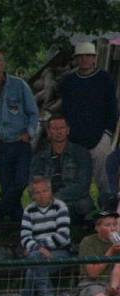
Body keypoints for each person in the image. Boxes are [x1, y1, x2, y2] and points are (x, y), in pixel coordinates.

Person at [0, 50, 39, 223]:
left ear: (4, 64)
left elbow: (33, 113)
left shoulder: (19, 85)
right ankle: (16, 221)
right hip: (0, 144)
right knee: (7, 185)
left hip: (20, 141)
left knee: (21, 180)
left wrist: (30, 133)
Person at [59, 41, 118, 196]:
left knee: (104, 179)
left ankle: (108, 212)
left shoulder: (105, 79)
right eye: (81, 56)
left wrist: (107, 133)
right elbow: (65, 110)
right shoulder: (69, 81)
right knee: (76, 179)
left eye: (88, 56)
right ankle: (80, 212)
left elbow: (112, 108)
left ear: (94, 58)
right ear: (76, 59)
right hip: (75, 138)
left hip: (100, 138)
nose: (84, 59)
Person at [18, 176, 71, 296]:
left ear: (51, 191)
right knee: (35, 263)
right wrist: (39, 249)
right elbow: (24, 237)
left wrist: (40, 246)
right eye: (37, 192)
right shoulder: (29, 210)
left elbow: (63, 236)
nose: (42, 195)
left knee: (33, 266)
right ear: (32, 195)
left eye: (45, 191)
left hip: (60, 252)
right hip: (38, 254)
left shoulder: (60, 206)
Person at [29, 114, 93, 224]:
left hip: (74, 199)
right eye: (55, 129)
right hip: (47, 199)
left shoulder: (81, 153)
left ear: (68, 130)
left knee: (84, 206)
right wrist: (45, 197)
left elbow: (83, 185)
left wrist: (57, 198)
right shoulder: (40, 156)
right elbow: (33, 182)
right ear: (49, 132)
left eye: (62, 128)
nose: (59, 132)